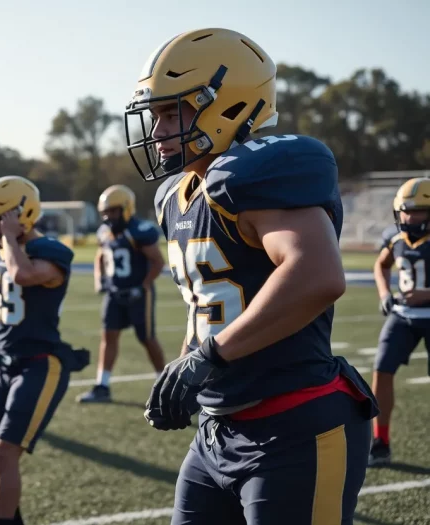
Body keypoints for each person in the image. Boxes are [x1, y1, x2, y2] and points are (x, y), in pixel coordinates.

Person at [126, 28, 379, 524]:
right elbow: (207, 302)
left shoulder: (256, 172)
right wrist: (185, 371)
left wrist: (210, 356)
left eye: (172, 112)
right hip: (217, 432)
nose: (157, 131)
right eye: (155, 115)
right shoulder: (176, 196)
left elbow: (318, 274)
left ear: (228, 104)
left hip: (296, 425)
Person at [0, 175, 86, 525]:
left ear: (21, 215)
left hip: (40, 364)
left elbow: (22, 275)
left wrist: (12, 240)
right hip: (3, 364)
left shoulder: (51, 252)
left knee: (4, 453)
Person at [78, 184, 166, 403]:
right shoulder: (104, 232)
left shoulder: (139, 231)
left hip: (138, 293)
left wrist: (143, 285)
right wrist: (99, 280)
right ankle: (102, 385)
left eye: (113, 210)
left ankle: (166, 385)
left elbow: (158, 262)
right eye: (105, 212)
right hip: (114, 293)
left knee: (146, 338)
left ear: (126, 208)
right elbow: (100, 256)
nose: (109, 216)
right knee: (108, 336)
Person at [370, 178, 430, 465]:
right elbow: (381, 264)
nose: (408, 217)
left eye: (416, 210)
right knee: (381, 370)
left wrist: (426, 294)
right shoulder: (395, 237)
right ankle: (380, 440)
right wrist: (384, 293)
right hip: (403, 315)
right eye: (404, 210)